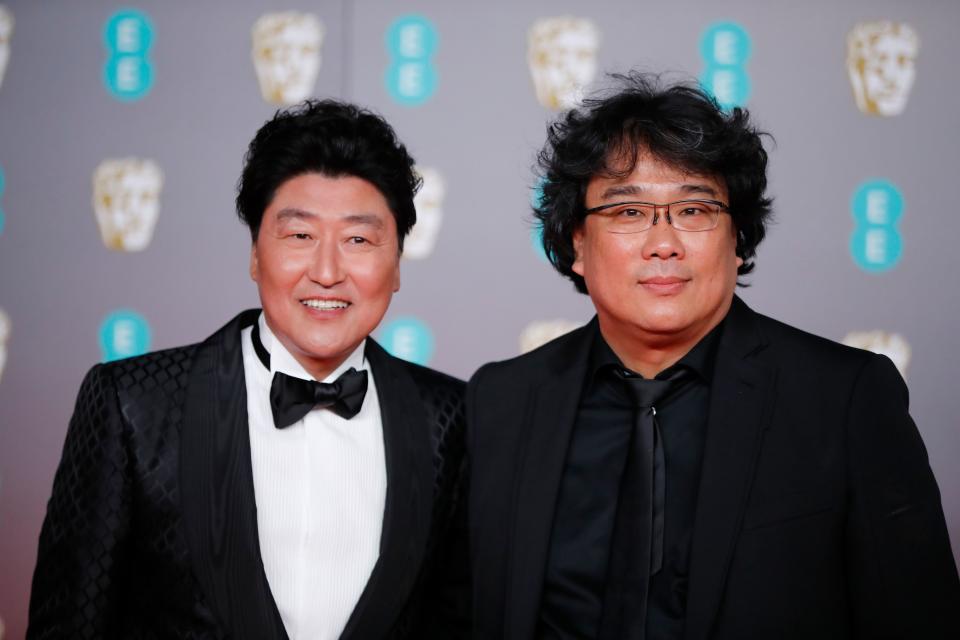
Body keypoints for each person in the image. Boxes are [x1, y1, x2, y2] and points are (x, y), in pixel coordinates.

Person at [467, 73, 959, 639]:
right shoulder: (502, 400)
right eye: (628, 213)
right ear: (577, 243)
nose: (663, 242)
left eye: (695, 210)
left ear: (739, 240)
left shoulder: (843, 399)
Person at [29, 100, 467, 640]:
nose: (327, 272)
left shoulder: (451, 418)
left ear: (396, 263)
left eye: (358, 239)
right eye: (299, 236)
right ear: (256, 255)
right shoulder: (134, 404)